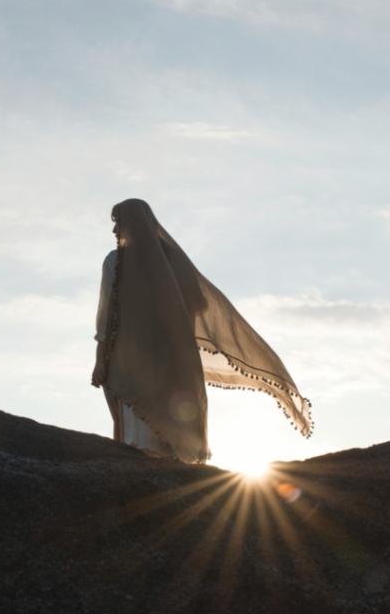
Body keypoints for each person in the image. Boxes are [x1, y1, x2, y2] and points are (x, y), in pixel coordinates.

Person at [92, 198, 312, 462]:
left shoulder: (115, 262)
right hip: (171, 361)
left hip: (133, 362)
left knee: (139, 438)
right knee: (166, 430)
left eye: (118, 223)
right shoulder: (170, 260)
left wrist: (101, 358)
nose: (115, 231)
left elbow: (106, 318)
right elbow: (198, 303)